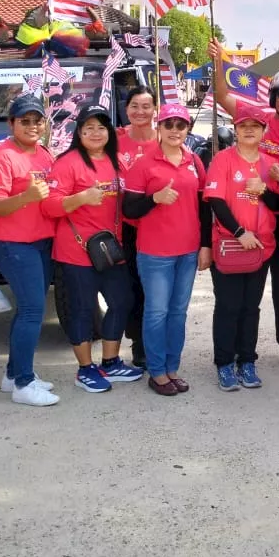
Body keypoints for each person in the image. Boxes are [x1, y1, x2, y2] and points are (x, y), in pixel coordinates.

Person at [209, 38, 279, 367]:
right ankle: (236, 353)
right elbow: (222, 97)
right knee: (248, 292)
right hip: (256, 214)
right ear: (274, 95)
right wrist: (219, 62)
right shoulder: (257, 118)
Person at [43, 104, 143, 393]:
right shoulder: (68, 162)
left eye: (101, 127)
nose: (96, 133)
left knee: (122, 301)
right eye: (89, 128)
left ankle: (110, 362)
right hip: (76, 251)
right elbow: (49, 206)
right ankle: (85, 369)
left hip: (110, 250)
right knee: (82, 311)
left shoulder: (116, 161)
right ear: (79, 133)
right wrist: (81, 198)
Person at [121, 104, 210, 396]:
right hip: (155, 252)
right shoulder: (143, 165)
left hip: (187, 251)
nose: (174, 131)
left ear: (187, 129)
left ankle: (173, 367)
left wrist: (205, 245)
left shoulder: (194, 162)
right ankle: (156, 371)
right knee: (157, 312)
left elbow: (204, 207)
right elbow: (129, 209)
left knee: (178, 313)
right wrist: (155, 198)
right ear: (159, 127)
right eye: (169, 125)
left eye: (180, 125)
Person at [0, 94, 59, 407]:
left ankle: (14, 374)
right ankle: (24, 385)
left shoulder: (44, 153)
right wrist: (26, 197)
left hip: (41, 241)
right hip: (14, 244)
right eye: (23, 120)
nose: (31, 126)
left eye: (36, 120)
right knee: (31, 311)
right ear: (11, 123)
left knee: (28, 310)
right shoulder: (1, 157)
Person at [204, 104, 279, 391]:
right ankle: (224, 363)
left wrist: (265, 189)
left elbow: (277, 206)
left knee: (251, 307)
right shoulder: (223, 160)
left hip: (261, 246)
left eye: (255, 126)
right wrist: (239, 232)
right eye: (243, 125)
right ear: (235, 129)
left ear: (263, 131)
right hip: (230, 244)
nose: (249, 130)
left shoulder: (270, 164)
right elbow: (216, 200)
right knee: (228, 306)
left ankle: (247, 360)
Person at [117, 86, 159, 371]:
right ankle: (138, 344)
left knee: (155, 290)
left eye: (146, 106)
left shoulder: (166, 139)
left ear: (155, 108)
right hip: (125, 227)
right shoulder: (115, 140)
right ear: (126, 108)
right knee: (131, 289)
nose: (140, 111)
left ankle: (156, 344)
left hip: (158, 228)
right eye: (135, 106)